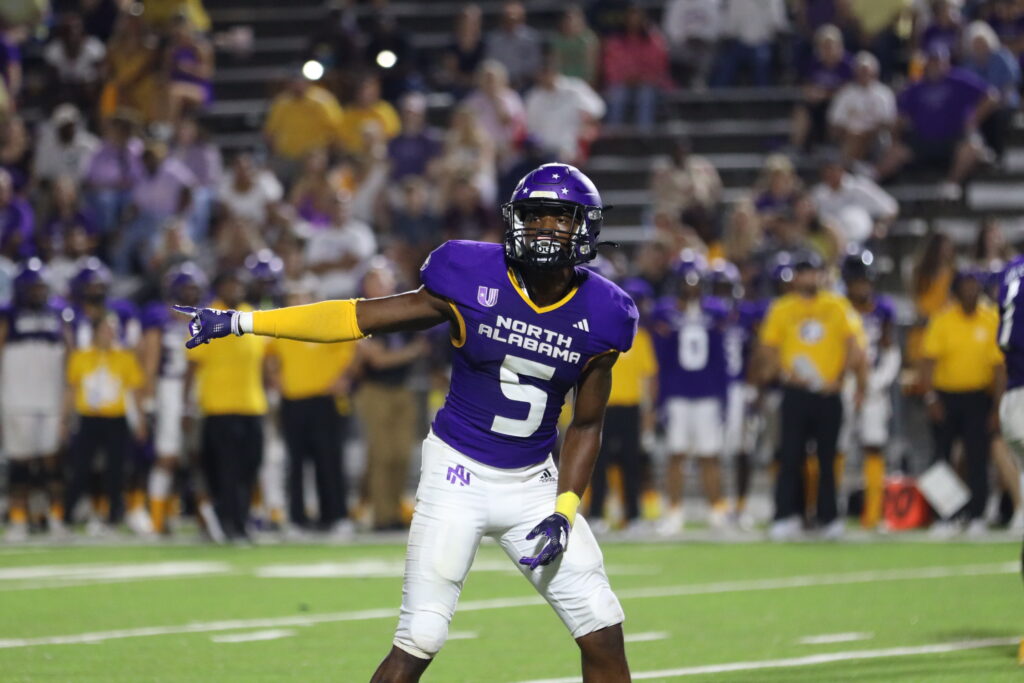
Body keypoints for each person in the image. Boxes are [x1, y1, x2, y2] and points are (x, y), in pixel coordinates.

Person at [175, 163, 636, 681]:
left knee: (602, 626)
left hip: (533, 484)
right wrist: (242, 321)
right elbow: (357, 316)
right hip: (458, 474)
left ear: (585, 228)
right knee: (420, 637)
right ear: (514, 220)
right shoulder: (470, 274)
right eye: (535, 216)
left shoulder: (605, 313)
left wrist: (565, 509)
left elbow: (588, 423)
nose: (545, 229)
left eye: (560, 218)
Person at [753, 250, 866, 540]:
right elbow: (768, 348)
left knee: (828, 458)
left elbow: (854, 345)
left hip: (828, 392)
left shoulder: (837, 305)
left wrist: (841, 379)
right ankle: (786, 515)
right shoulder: (782, 308)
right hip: (796, 392)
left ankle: (829, 517)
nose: (809, 277)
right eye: (803, 272)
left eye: (813, 271)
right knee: (790, 455)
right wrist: (786, 374)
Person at [920, 268, 1005, 535]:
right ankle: (944, 515)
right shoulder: (943, 319)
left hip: (978, 397)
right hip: (946, 396)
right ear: (956, 290)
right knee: (940, 458)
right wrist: (931, 397)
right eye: (965, 285)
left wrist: (996, 407)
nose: (970, 290)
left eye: (974, 285)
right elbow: (927, 362)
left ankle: (976, 515)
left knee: (977, 458)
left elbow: (998, 369)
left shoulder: (990, 318)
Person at [650, 252, 730, 534]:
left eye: (694, 282)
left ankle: (717, 510)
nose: (690, 287)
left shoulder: (715, 311)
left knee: (709, 455)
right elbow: (660, 358)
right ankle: (673, 512)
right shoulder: (665, 312)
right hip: (678, 394)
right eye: (686, 282)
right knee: (676, 454)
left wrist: (723, 396)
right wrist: (659, 398)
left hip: (706, 393)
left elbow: (721, 359)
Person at [1, 259, 71, 540]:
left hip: (51, 399)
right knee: (20, 464)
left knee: (51, 464)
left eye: (42, 287)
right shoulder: (8, 314)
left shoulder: (59, 313)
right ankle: (18, 519)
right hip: (17, 399)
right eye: (33, 288)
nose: (38, 293)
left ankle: (52, 518)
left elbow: (70, 355)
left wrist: (68, 401)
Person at [139, 262, 205, 534]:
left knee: (199, 455)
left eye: (194, 288)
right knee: (168, 455)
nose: (191, 293)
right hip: (170, 387)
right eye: (186, 288)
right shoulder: (159, 317)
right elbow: (151, 359)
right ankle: (157, 516)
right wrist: (148, 395)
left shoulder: (207, 316)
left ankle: (195, 515)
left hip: (200, 388)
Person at [840, 249, 900, 529]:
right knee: (836, 446)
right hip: (843, 384)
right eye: (857, 280)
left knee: (874, 445)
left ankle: (873, 514)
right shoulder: (837, 308)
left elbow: (890, 349)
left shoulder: (883, 309)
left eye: (865, 280)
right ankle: (830, 509)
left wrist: (877, 381)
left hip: (874, 386)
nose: (862, 286)